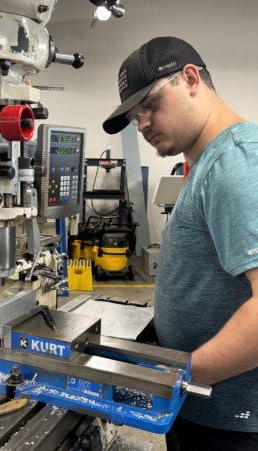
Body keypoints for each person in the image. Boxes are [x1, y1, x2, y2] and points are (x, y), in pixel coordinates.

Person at [103, 36, 258, 451]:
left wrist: (182, 376)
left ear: (190, 78)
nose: (143, 124)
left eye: (149, 105)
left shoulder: (235, 162)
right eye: (136, 116)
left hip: (232, 423)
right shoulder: (207, 161)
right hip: (203, 408)